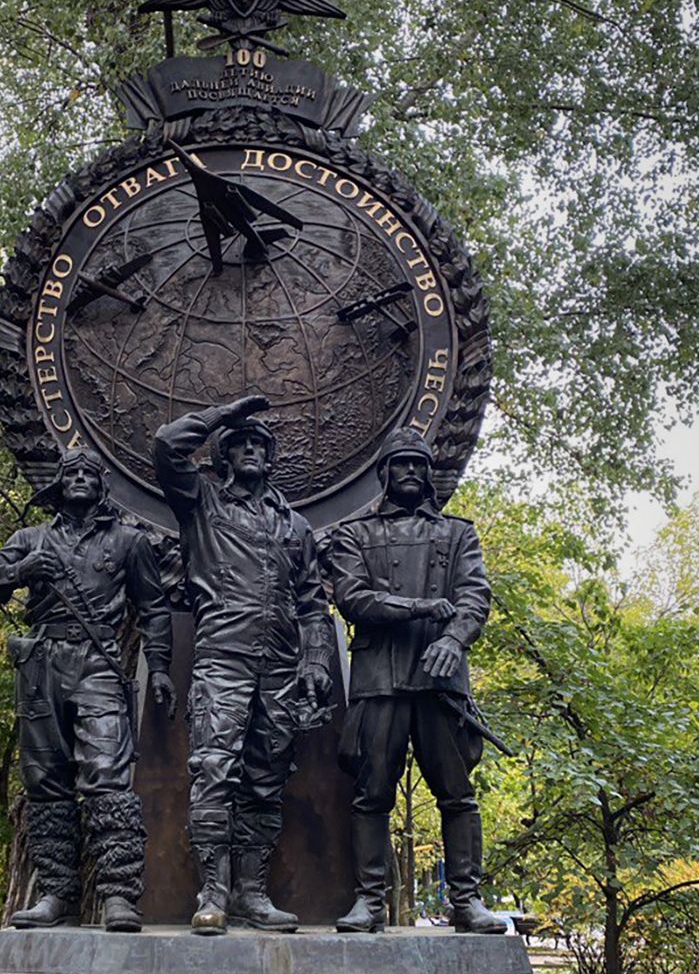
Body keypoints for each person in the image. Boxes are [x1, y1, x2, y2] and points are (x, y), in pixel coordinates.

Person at [0, 448, 175, 931]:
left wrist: (159, 667)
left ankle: (120, 895)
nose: (79, 479)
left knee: (107, 773)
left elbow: (154, 609)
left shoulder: (129, 541)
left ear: (102, 486)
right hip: (40, 662)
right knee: (44, 780)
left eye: (89, 473)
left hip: (98, 662)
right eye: (71, 473)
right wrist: (19, 572)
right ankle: (58, 894)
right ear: (58, 485)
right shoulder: (30, 539)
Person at [154, 395, 331, 934]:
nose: (251, 449)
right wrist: (224, 416)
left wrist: (317, 657)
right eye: (240, 444)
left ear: (270, 459)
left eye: (259, 444)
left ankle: (253, 893)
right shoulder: (202, 503)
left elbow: (313, 601)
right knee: (213, 772)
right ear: (224, 456)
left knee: (265, 780)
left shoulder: (294, 527)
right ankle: (213, 893)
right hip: (222, 659)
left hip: (279, 667)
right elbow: (166, 446)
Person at [326, 429, 505, 934]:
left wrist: (454, 638)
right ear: (385, 474)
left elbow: (474, 596)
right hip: (379, 678)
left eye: (417, 464)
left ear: (430, 475)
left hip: (440, 683)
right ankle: (369, 902)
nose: (409, 471)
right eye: (399, 464)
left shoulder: (457, 534)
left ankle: (466, 901)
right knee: (371, 794)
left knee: (457, 793)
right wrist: (421, 607)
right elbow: (353, 599)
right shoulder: (354, 535)